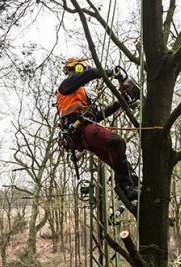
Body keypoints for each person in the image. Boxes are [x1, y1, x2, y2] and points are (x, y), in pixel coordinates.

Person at [56, 57, 139, 201]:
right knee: (116, 142)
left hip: (84, 132)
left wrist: (119, 103)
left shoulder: (82, 95)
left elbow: (96, 116)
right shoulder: (66, 86)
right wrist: (108, 72)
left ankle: (133, 185)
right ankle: (125, 186)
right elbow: (91, 73)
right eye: (81, 69)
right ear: (77, 69)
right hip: (77, 130)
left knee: (117, 157)